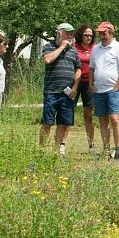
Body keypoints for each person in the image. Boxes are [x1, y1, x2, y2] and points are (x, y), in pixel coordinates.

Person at [90, 21, 119, 159]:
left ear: (111, 33)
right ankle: (106, 149)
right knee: (102, 120)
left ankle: (118, 149)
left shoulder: (118, 48)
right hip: (99, 90)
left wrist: (117, 86)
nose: (101, 35)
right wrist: (91, 83)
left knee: (115, 118)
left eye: (104, 33)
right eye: (100, 33)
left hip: (113, 90)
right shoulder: (96, 48)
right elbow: (91, 68)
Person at [40, 23, 81, 156]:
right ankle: (42, 150)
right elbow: (47, 59)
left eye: (71, 33)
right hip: (51, 91)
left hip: (67, 94)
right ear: (59, 33)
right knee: (47, 122)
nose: (70, 36)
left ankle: (57, 151)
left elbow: (78, 69)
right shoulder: (49, 47)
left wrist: (75, 86)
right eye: (67, 33)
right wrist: (62, 47)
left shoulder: (73, 51)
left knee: (63, 123)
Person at [73, 24, 97, 153]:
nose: (88, 37)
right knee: (69, 113)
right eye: (86, 35)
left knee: (88, 116)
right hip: (75, 82)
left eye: (90, 35)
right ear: (80, 35)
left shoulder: (95, 48)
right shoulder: (74, 47)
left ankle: (91, 144)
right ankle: (62, 144)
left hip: (89, 84)